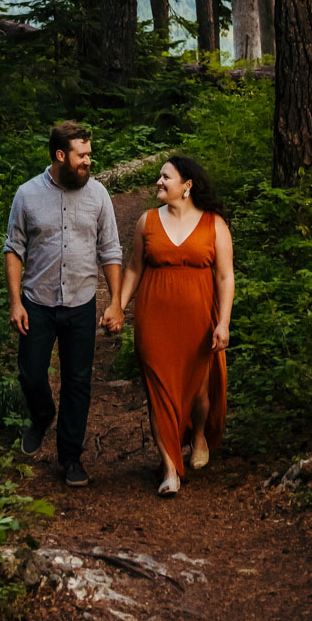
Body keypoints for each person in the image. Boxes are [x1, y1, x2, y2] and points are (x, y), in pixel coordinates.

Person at [3, 120, 124, 487]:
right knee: (31, 374)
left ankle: (70, 457)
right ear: (60, 155)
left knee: (77, 383)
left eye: (89, 153)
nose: (89, 160)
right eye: (82, 155)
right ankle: (42, 416)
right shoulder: (27, 195)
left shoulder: (99, 195)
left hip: (80, 304)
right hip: (36, 303)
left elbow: (110, 250)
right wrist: (15, 302)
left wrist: (117, 302)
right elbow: (14, 249)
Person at [118, 155, 232, 497]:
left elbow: (225, 277)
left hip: (199, 320)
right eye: (158, 177)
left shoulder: (214, 225)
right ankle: (169, 468)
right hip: (154, 320)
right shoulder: (146, 221)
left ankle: (198, 434)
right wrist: (119, 306)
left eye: (165, 177)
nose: (159, 182)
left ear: (187, 185)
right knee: (158, 391)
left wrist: (223, 322)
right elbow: (135, 269)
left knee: (198, 389)